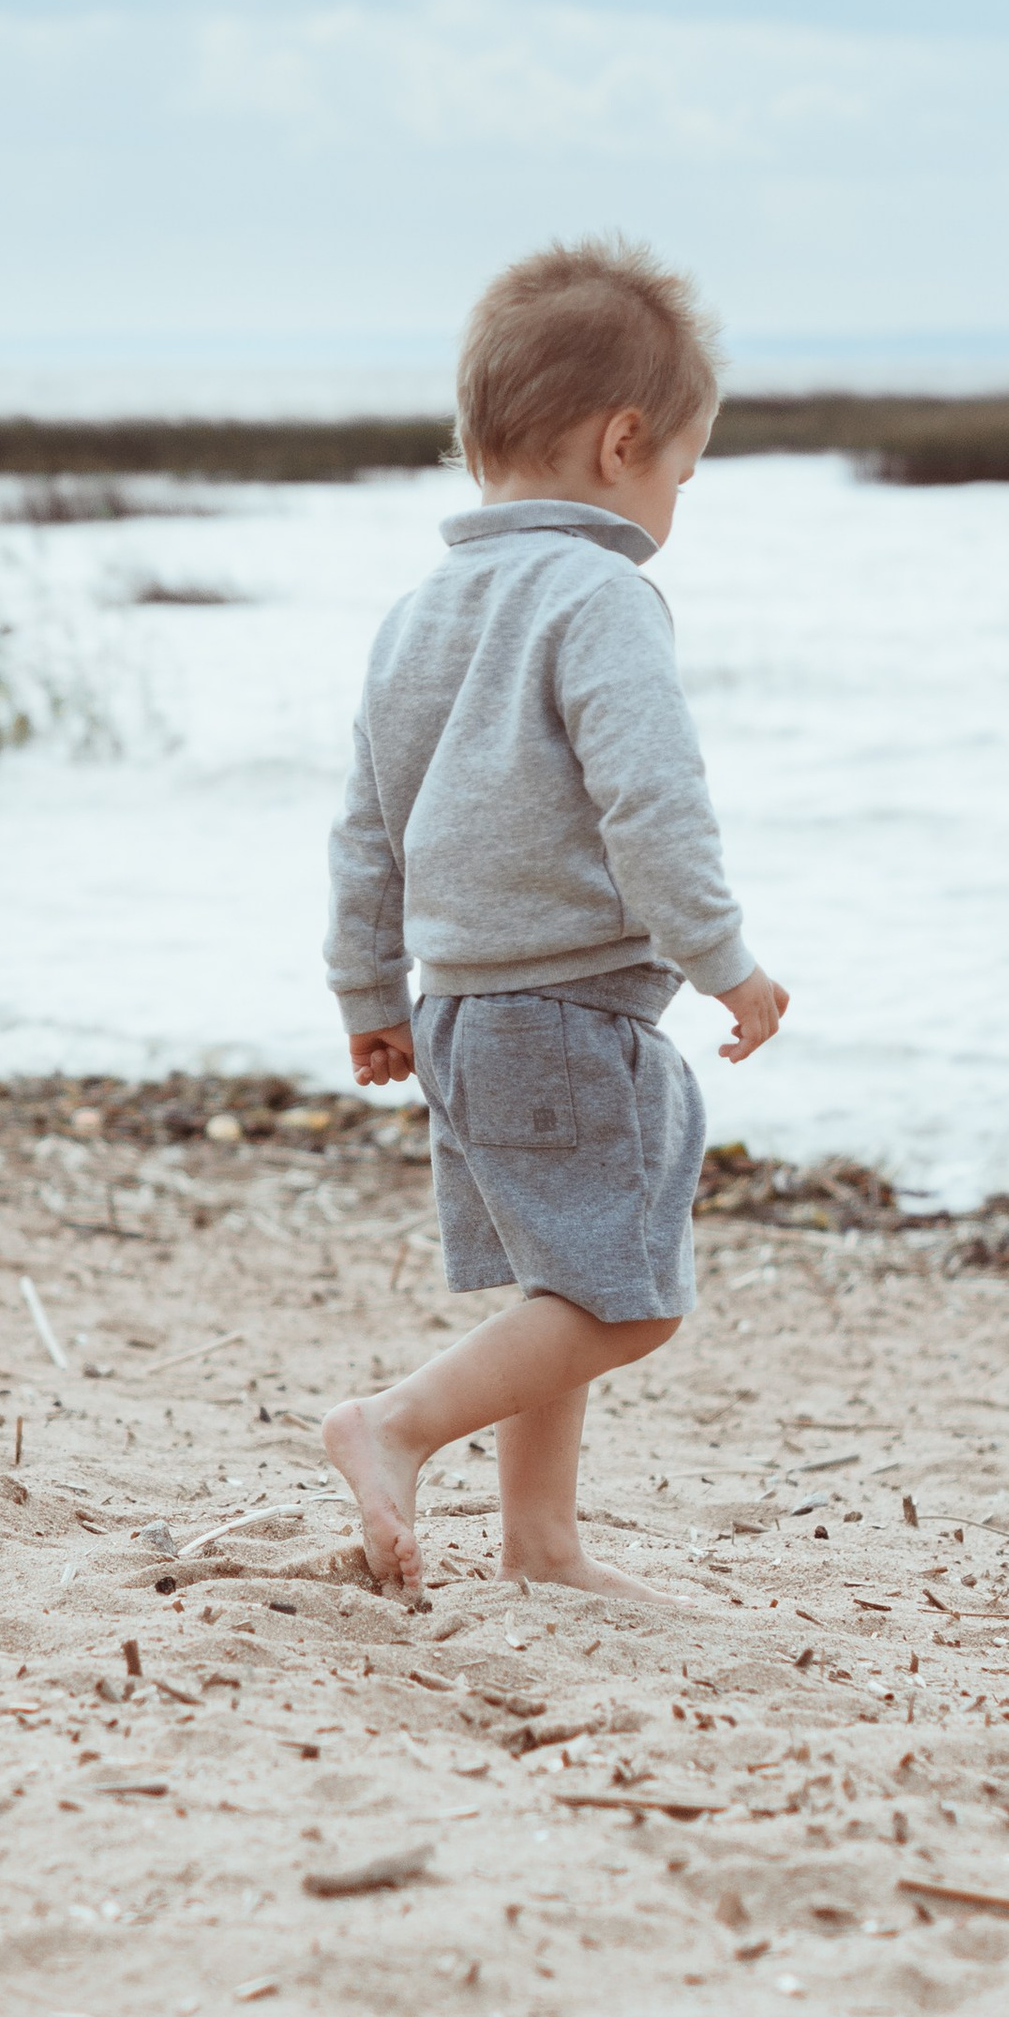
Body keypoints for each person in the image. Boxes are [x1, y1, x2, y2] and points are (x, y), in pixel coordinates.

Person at [320, 235, 787, 1600]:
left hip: (462, 1011)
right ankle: (392, 1425)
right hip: (569, 1011)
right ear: (624, 443)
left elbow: (367, 827)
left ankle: (541, 1546)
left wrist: (368, 995)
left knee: (559, 1281)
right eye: (681, 476)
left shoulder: (420, 614)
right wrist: (724, 961)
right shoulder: (603, 597)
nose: (674, 503)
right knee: (625, 1298)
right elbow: (654, 802)